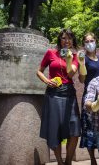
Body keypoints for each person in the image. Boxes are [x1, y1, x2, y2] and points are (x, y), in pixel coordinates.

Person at [37, 28, 81, 165]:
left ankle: (68, 161)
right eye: (63, 38)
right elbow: (39, 71)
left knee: (74, 130)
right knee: (54, 129)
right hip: (53, 94)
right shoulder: (51, 53)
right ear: (59, 40)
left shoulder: (75, 57)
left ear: (73, 41)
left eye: (69, 38)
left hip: (69, 94)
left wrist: (68, 58)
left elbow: (70, 74)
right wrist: (46, 81)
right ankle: (60, 162)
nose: (66, 41)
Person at [78, 33, 99, 165]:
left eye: (92, 40)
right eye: (86, 41)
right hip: (89, 97)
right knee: (89, 128)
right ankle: (93, 159)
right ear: (83, 44)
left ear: (96, 41)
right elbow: (81, 80)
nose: (89, 43)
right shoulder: (83, 59)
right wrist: (81, 64)